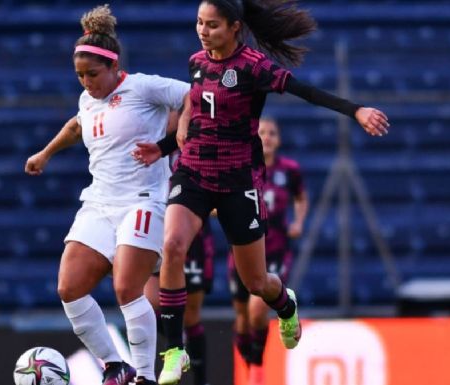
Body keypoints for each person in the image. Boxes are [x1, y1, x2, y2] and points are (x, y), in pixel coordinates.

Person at [132, 1, 389, 383]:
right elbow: (200, 118)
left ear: (235, 27)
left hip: (239, 182)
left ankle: (286, 305)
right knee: (172, 245)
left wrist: (355, 111)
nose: (203, 31)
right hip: (195, 174)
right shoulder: (196, 62)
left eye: (213, 25)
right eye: (200, 23)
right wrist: (165, 147)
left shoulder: (254, 66)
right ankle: (173, 351)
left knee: (257, 283)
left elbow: (306, 91)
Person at [24, 5, 189, 385]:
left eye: (93, 74)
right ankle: (116, 365)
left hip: (143, 199)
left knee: (126, 287)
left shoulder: (144, 86)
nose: (86, 82)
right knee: (69, 288)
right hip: (99, 202)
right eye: (80, 75)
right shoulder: (87, 99)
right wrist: (46, 153)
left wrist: (171, 141)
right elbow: (76, 125)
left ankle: (146, 376)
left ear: (115, 67)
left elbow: (194, 96)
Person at [228, 117, 309, 385]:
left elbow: (301, 197)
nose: (268, 137)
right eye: (262, 132)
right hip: (243, 250)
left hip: (275, 251)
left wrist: (298, 222)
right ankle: (248, 364)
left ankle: (257, 369)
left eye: (273, 133)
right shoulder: (242, 168)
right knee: (241, 317)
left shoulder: (290, 170)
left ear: (279, 139)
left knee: (256, 311)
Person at [145, 222, 215, 385]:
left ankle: (201, 381)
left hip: (192, 237)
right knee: (148, 305)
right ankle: (177, 339)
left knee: (191, 316)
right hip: (157, 233)